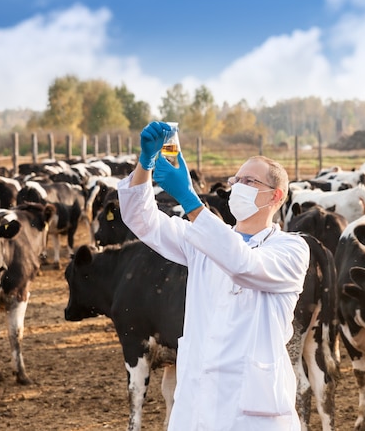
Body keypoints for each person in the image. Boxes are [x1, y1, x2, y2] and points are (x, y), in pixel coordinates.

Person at [117, 121, 310, 430]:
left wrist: (189, 198)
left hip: (253, 410)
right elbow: (141, 219)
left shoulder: (291, 249)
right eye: (237, 179)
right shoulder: (200, 241)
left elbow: (243, 264)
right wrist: (145, 163)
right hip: (197, 401)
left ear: (276, 196)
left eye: (250, 180)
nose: (238, 185)